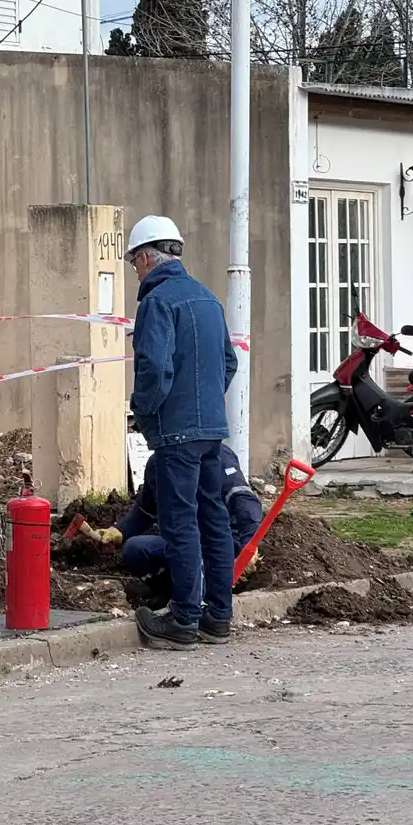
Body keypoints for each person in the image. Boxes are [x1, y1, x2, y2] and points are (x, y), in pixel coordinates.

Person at [125, 215, 240, 650]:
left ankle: (185, 619)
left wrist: (144, 411)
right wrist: (207, 401)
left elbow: (154, 367)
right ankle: (218, 616)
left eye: (135, 261)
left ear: (148, 257)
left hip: (177, 433)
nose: (135, 269)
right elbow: (228, 363)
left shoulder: (158, 302)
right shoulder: (207, 298)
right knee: (213, 518)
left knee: (179, 522)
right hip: (211, 430)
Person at [95, 444, 263, 602]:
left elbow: (244, 500)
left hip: (218, 545)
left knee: (203, 578)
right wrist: (120, 530)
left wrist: (248, 545)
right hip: (181, 543)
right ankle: (170, 592)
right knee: (135, 549)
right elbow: (145, 510)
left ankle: (200, 601)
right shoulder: (156, 464)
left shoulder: (216, 455)